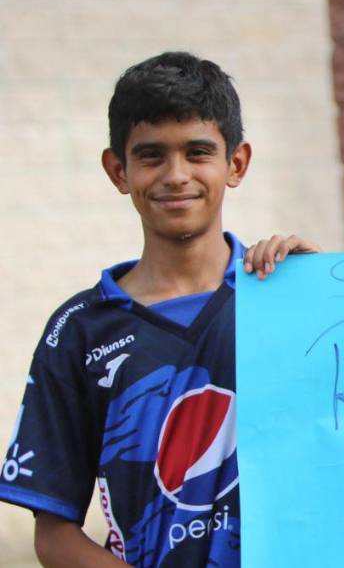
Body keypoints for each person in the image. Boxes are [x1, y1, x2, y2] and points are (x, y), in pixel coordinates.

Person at [0, 52, 318, 567]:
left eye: (197, 152)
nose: (176, 175)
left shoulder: (288, 301)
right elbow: (54, 536)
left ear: (236, 163)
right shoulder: (79, 330)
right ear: (118, 170)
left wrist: (331, 297)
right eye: (151, 156)